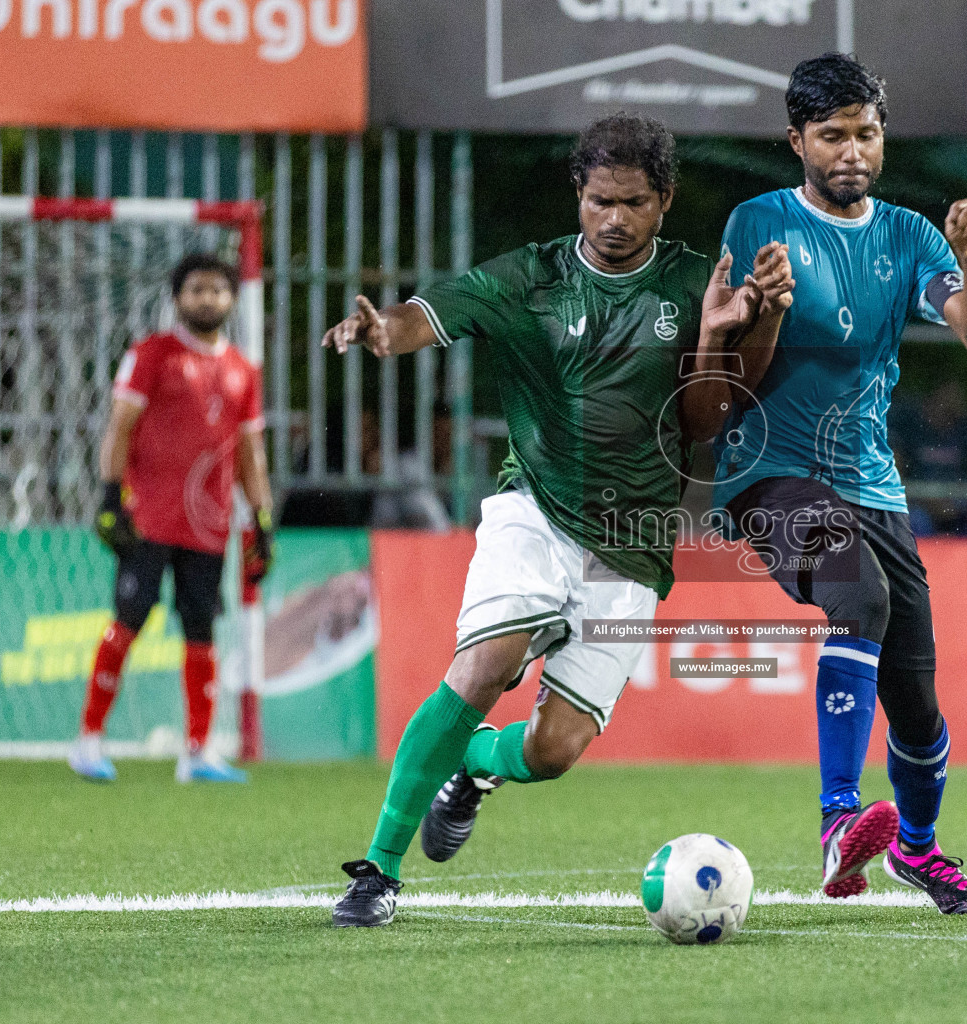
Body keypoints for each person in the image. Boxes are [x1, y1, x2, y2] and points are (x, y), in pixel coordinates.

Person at [320, 114, 793, 927]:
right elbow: (422, 317)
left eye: (635, 203)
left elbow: (710, 418)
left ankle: (470, 768)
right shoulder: (527, 279)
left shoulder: (694, 283)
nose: (615, 219)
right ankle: (379, 872)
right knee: (484, 667)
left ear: (664, 200)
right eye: (600, 200)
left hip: (637, 546)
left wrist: (744, 326)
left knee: (554, 748)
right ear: (578, 194)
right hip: (534, 509)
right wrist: (379, 330)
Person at [712, 54, 967, 914]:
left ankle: (918, 850)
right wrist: (757, 309)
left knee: (916, 702)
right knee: (861, 597)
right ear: (796, 139)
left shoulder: (913, 235)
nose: (852, 151)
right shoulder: (757, 223)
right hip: (770, 476)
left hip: (874, 488)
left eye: (866, 133)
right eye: (832, 135)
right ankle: (839, 820)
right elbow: (715, 358)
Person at [67, 253, 274, 785]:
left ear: (232, 300)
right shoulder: (151, 354)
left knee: (202, 629)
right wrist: (111, 498)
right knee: (130, 617)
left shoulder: (243, 371)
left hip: (208, 525)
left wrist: (262, 522)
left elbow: (252, 455)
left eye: (217, 290)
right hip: (147, 517)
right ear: (177, 298)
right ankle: (88, 740)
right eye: (196, 289)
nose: (207, 299)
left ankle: (198, 752)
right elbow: (119, 428)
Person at [892, 379, 967, 537]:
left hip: (961, 507)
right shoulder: (910, 429)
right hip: (919, 507)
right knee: (912, 524)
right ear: (932, 399)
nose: (952, 402)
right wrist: (925, 501)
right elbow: (895, 478)